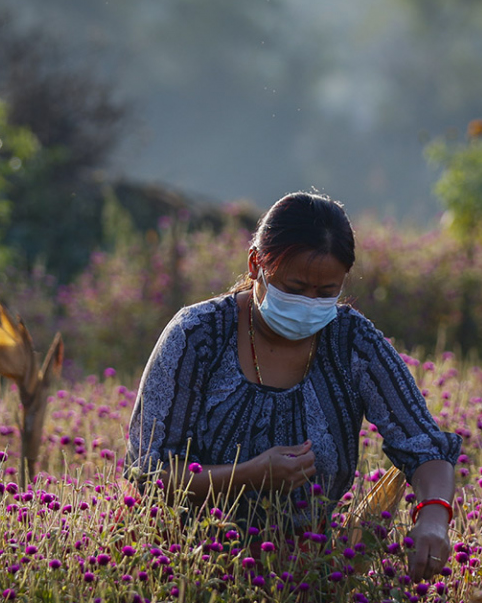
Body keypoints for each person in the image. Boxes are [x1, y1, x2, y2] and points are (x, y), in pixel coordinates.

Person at [127, 191, 461, 582]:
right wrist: (247, 474)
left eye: (325, 293)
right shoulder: (197, 336)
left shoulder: (350, 341)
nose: (309, 304)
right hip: (186, 567)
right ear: (256, 265)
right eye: (295, 287)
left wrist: (434, 518)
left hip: (306, 577)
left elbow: (424, 445)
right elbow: (151, 475)